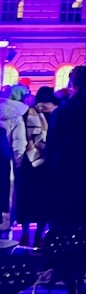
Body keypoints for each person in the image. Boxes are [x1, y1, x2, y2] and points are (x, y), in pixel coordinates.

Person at [45, 65, 86, 228]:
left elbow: (52, 143)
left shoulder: (62, 111)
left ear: (72, 83)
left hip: (64, 168)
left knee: (63, 219)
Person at [16, 87, 58, 247]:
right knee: (44, 202)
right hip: (48, 163)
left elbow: (24, 137)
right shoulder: (56, 113)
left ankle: (25, 234)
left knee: (26, 200)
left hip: (30, 161)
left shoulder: (29, 112)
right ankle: (39, 235)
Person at [0, 86, 28, 237]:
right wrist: (19, 163)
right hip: (6, 162)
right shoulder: (17, 115)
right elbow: (19, 142)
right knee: (5, 194)